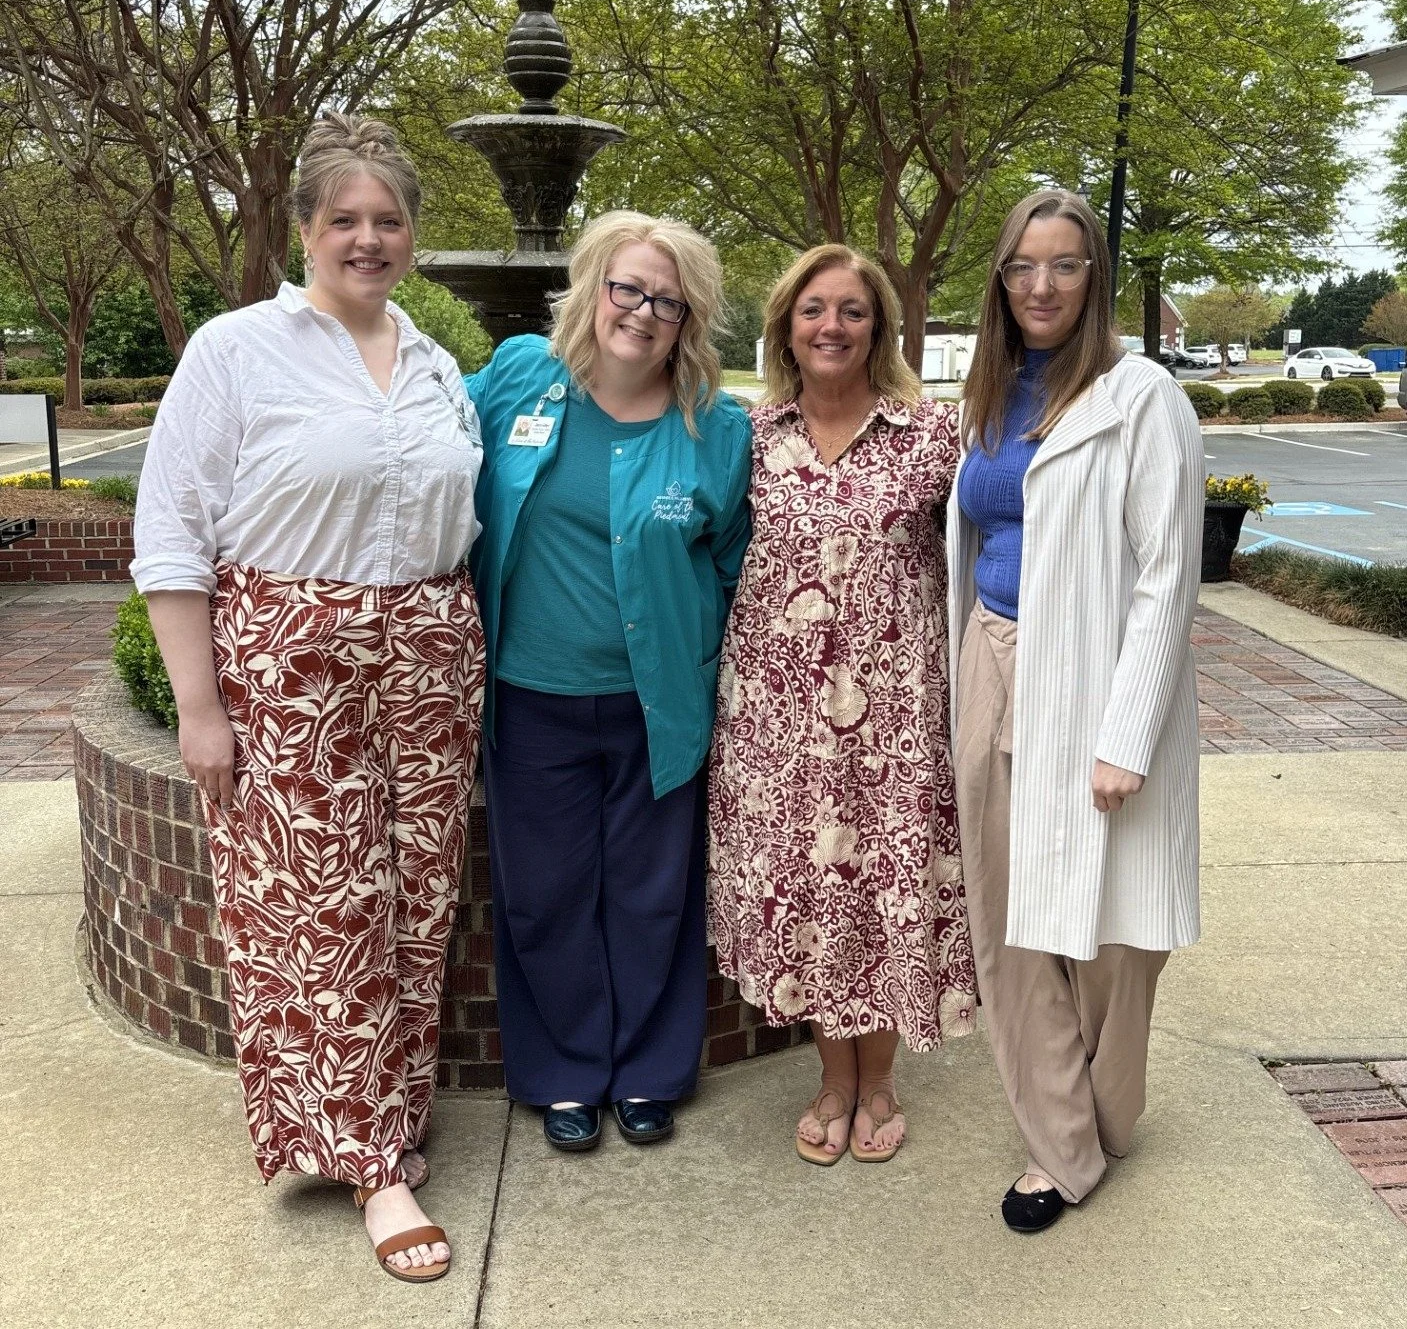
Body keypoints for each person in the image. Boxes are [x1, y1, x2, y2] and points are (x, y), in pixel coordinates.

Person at [132, 113, 485, 1283]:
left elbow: (462, 523)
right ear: (305, 228)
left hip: (430, 654)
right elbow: (172, 534)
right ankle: (371, 1163)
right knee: (320, 909)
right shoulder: (238, 350)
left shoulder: (435, 368)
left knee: (414, 899)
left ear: (414, 235)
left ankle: (382, 1107)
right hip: (292, 664)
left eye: (389, 220)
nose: (369, 239)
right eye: (346, 219)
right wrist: (199, 706)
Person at [466, 211, 751, 1152]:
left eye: (666, 300)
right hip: (530, 695)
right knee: (544, 892)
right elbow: (411, 439)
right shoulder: (516, 377)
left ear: (689, 318)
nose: (641, 311)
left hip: (656, 705)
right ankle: (563, 1074)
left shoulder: (715, 428)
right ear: (590, 287)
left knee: (651, 893)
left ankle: (647, 1072)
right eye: (626, 287)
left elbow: (728, 560)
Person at [947, 188, 1202, 1233]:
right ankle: (1060, 1140)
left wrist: (1124, 737)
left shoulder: (1142, 397)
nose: (1040, 286)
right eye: (1021, 266)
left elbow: (1166, 579)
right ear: (999, 282)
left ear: (1096, 278)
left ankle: (1107, 1110)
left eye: (1063, 265)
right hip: (993, 657)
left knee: (1111, 931)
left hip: (1095, 676)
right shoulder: (991, 393)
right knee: (1011, 916)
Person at [708, 245, 976, 1167]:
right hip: (776, 718)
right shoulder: (745, 435)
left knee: (886, 886)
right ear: (786, 324)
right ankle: (832, 1079)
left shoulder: (930, 435)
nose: (831, 326)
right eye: (813, 309)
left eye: (852, 311)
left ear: (879, 327)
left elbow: (982, 560)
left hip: (896, 717)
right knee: (815, 890)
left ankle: (881, 1079)